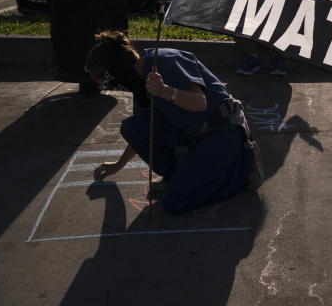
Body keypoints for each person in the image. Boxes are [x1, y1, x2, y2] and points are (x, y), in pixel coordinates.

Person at [86, 31, 264, 214]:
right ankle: (179, 176)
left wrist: (165, 91)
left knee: (174, 201)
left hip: (222, 130)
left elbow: (199, 103)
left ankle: (241, 171)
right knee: (132, 127)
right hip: (194, 135)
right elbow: (146, 128)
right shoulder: (139, 84)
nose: (110, 89)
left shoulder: (165, 61)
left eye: (107, 84)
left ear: (116, 71)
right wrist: (117, 165)